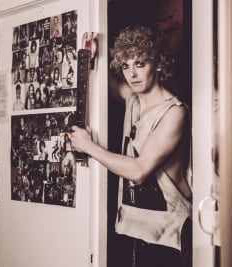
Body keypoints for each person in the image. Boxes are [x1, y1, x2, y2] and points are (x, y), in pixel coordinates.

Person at [69, 25, 192, 267]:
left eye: (140, 64)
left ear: (158, 64)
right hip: (132, 228)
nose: (132, 74)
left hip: (167, 234)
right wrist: (90, 56)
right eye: (125, 65)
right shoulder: (132, 99)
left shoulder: (174, 112)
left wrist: (89, 147)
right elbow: (109, 83)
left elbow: (139, 171)